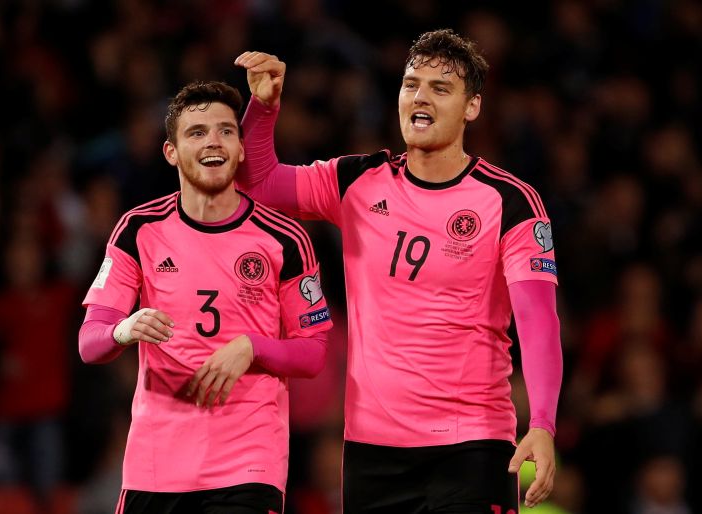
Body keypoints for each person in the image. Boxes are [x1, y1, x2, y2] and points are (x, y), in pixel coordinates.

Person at [234, 28, 563, 512]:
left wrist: (543, 423)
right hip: (372, 452)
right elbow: (258, 183)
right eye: (412, 84)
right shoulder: (358, 180)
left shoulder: (509, 201)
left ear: (472, 107)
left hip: (471, 445)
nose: (420, 97)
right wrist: (263, 108)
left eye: (440, 88)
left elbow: (538, 321)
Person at [78, 80, 333, 514]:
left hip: (248, 465)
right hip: (156, 464)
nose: (213, 141)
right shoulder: (138, 229)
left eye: (225, 131)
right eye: (197, 132)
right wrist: (124, 329)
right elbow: (90, 343)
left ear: (240, 149)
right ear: (171, 152)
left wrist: (252, 347)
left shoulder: (284, 238)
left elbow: (313, 352)